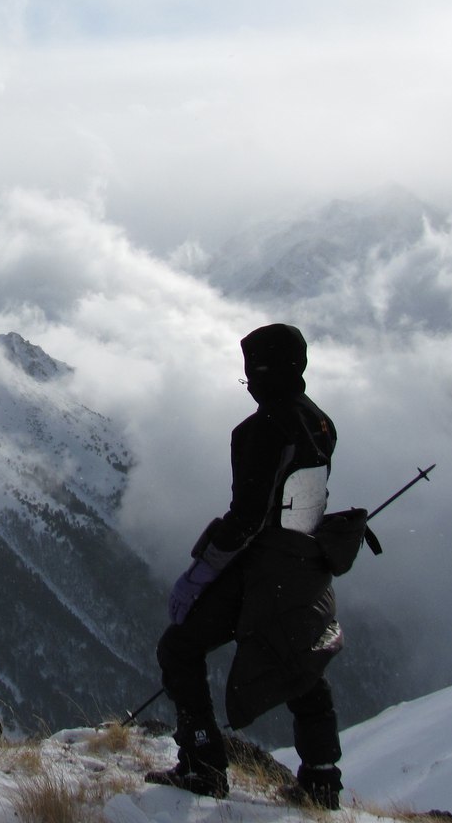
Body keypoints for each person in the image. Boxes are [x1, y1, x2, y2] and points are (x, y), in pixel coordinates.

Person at [146, 323, 351, 810]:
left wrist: (201, 571)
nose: (250, 383)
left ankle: (202, 765)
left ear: (260, 370)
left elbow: (246, 520)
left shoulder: (258, 431)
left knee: (180, 648)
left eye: (250, 372)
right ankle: (322, 782)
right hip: (307, 565)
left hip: (262, 571)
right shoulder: (322, 423)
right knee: (301, 662)